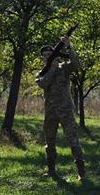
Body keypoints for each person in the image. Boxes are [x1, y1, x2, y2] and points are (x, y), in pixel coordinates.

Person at [35, 37, 86, 180]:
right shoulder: (42, 72)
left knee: (73, 140)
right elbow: (43, 84)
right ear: (42, 58)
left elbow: (76, 65)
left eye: (49, 53)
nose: (47, 56)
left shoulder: (63, 68)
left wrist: (69, 46)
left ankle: (82, 172)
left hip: (66, 111)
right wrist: (51, 69)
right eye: (44, 54)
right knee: (49, 142)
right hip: (50, 112)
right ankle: (51, 171)